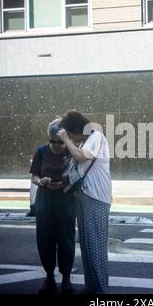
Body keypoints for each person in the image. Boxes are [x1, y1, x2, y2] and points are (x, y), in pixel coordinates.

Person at [57, 111, 112, 294]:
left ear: (75, 129)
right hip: (85, 195)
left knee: (95, 244)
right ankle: (92, 287)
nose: (70, 137)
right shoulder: (88, 140)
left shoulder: (97, 136)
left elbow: (81, 157)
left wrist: (66, 139)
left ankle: (101, 290)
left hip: (96, 196)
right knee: (88, 245)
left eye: (70, 133)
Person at [30, 118, 76, 294]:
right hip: (45, 199)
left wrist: (63, 184)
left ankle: (66, 278)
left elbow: (78, 175)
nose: (56, 145)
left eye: (60, 142)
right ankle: (49, 276)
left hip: (66, 199)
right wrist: (40, 181)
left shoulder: (71, 152)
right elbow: (33, 176)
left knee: (66, 239)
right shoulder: (41, 152)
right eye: (53, 141)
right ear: (48, 139)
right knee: (45, 239)